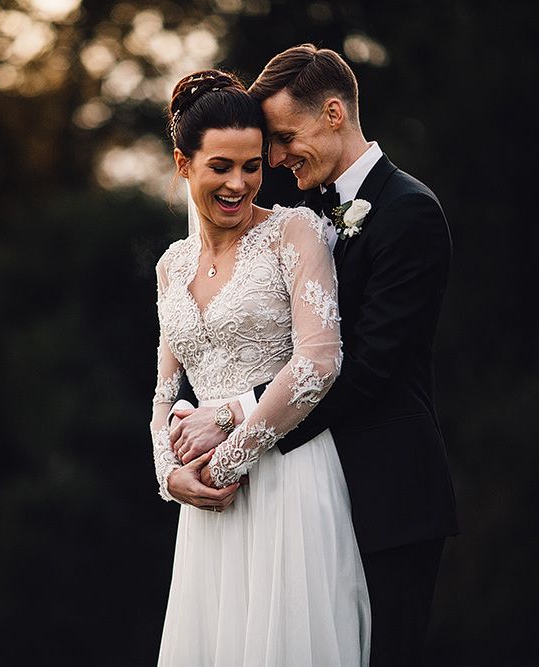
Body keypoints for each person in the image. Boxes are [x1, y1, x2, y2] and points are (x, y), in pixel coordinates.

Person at [169, 45, 459, 666]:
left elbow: (366, 368)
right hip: (305, 486)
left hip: (389, 491)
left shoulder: (410, 213)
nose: (272, 159)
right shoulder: (308, 215)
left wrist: (227, 416)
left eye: (282, 138)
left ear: (333, 112)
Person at [150, 69, 370, 666]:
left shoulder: (293, 233)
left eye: (252, 166)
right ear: (183, 164)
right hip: (206, 506)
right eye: (221, 166)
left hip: (287, 480)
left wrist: (228, 457)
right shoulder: (172, 265)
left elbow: (319, 362)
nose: (239, 183)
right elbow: (165, 391)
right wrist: (173, 477)